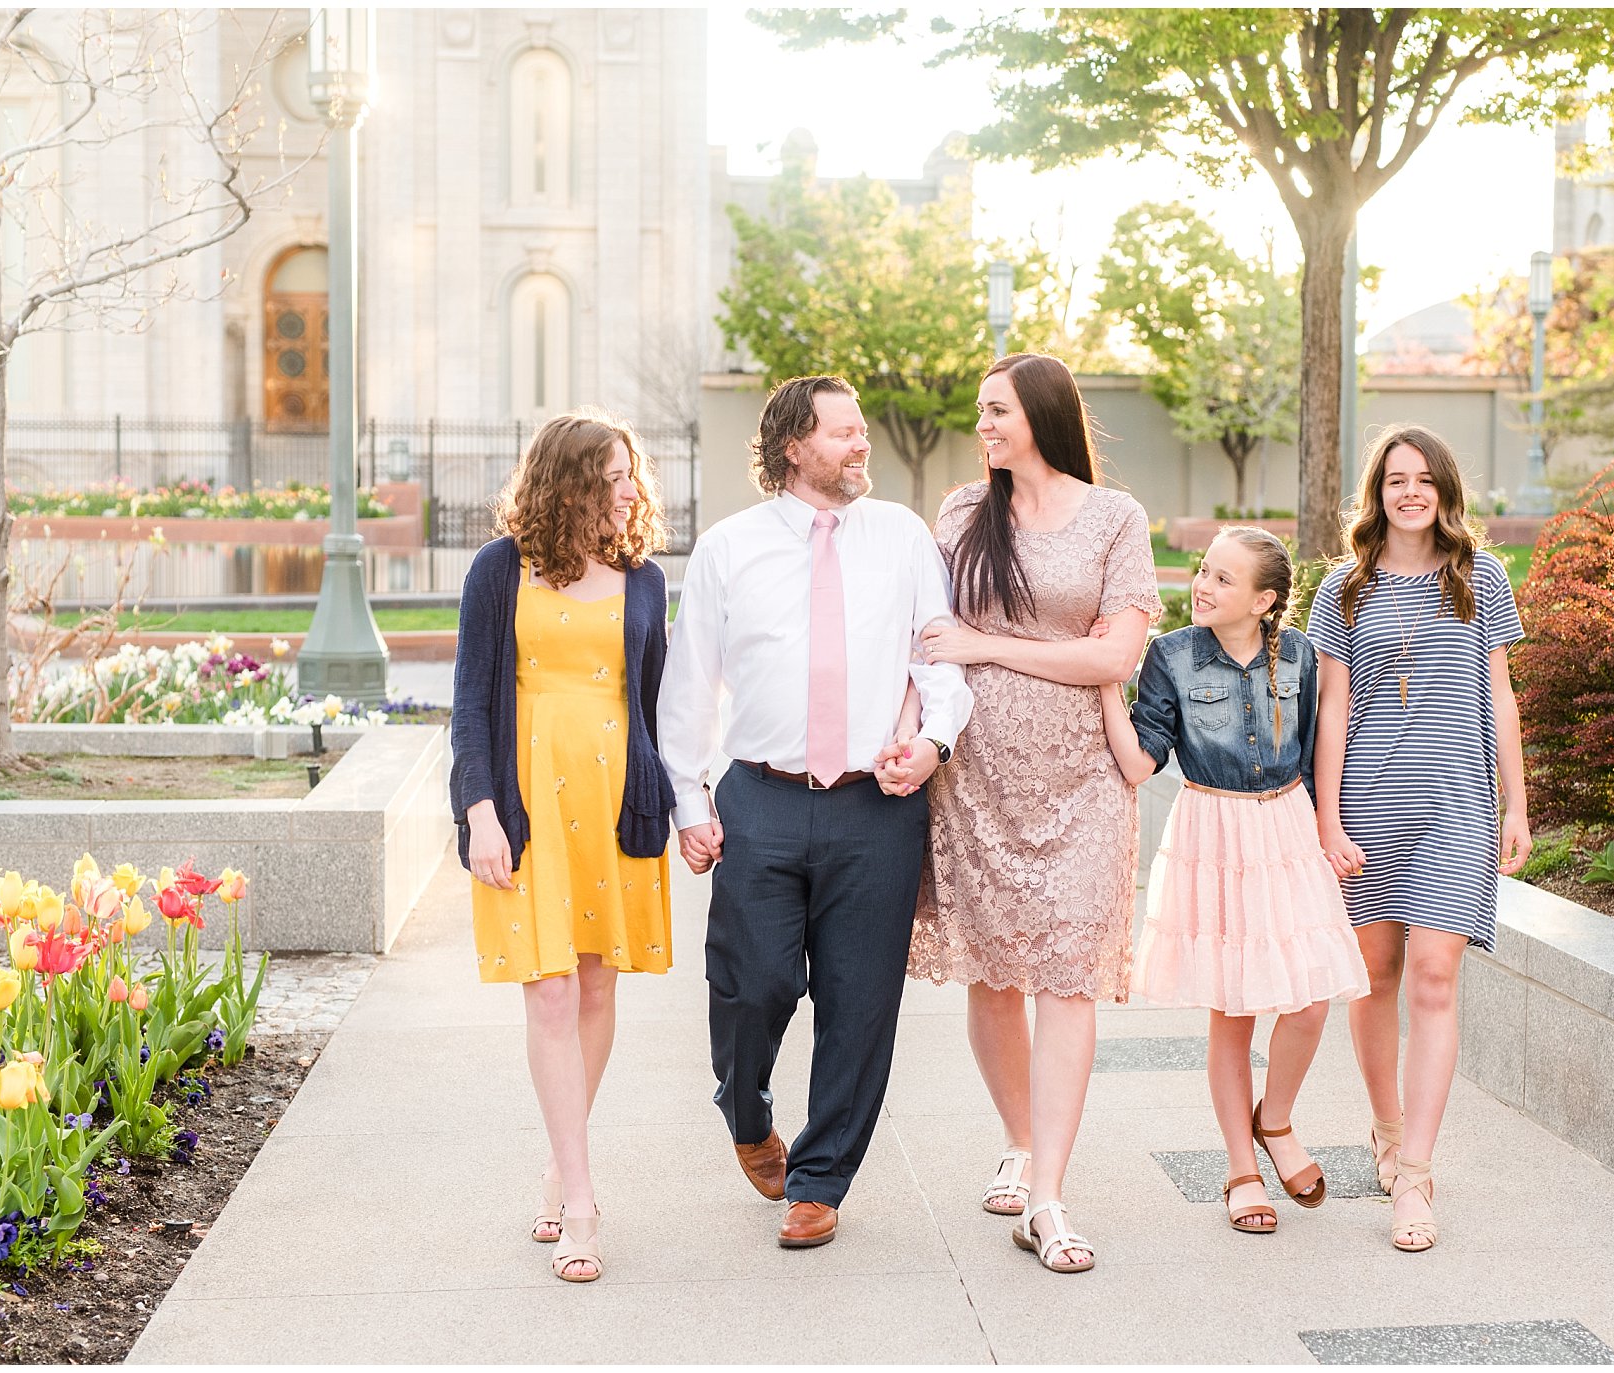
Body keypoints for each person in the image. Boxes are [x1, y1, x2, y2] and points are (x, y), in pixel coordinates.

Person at [659, 375, 972, 1251]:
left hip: (877, 804)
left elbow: (938, 661)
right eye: (842, 432)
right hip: (759, 795)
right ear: (794, 445)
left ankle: (820, 1178)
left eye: (861, 429)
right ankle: (748, 1108)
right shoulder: (728, 549)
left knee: (859, 1001)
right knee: (749, 984)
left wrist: (935, 741)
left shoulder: (903, 538)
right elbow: (687, 690)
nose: (859, 444)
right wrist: (690, 801)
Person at [906, 352, 1161, 1274]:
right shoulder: (963, 514)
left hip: (1085, 780)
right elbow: (930, 643)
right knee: (993, 973)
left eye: (997, 410)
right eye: (979, 410)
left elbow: (1116, 660)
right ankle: (1021, 1137)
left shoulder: (1114, 518)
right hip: (975, 778)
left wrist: (986, 642)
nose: (983, 425)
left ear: (1044, 416)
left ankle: (1048, 1194)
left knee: (1067, 977)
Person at [451, 408, 678, 1284]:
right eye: (612, 477)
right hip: (526, 806)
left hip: (615, 803)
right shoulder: (498, 571)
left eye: (632, 476)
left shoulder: (646, 579)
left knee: (590, 982)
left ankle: (559, 1157)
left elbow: (657, 707)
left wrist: (680, 803)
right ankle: (580, 1195)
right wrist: (477, 811)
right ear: (568, 482)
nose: (630, 491)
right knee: (546, 991)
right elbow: (470, 701)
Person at [1096, 527, 1372, 1235]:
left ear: (1265, 598)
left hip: (1285, 831)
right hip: (1212, 833)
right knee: (1234, 1007)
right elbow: (1138, 763)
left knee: (1310, 1000)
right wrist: (1104, 682)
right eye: (1203, 571)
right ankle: (1240, 1166)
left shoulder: (1303, 657)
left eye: (1223, 578)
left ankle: (1273, 1120)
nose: (1203, 586)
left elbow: (1318, 753)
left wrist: (1330, 827)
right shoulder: (1171, 656)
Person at [1303, 424, 1531, 1253]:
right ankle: (1387, 1126)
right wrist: (1327, 818)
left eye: (1423, 478)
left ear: (1444, 490)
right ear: (1378, 493)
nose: (1409, 492)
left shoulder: (1480, 576)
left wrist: (1517, 802)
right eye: (1395, 479)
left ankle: (1417, 1174)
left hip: (1456, 806)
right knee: (1374, 976)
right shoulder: (1343, 589)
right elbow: (1332, 709)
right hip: (1368, 806)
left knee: (1433, 977)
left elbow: (1501, 696)